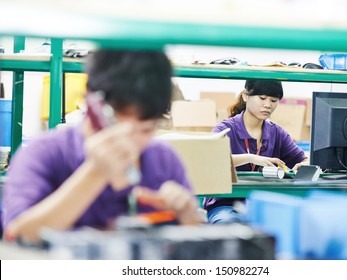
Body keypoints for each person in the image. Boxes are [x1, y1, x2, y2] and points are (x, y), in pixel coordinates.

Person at [2, 50, 202, 244]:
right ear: (90, 102)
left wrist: (186, 217)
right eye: (118, 125)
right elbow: (18, 235)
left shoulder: (164, 160)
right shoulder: (44, 153)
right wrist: (95, 172)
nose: (130, 142)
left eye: (145, 130)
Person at [204, 79, 308, 224]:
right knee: (230, 229)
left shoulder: (277, 133)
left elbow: (303, 159)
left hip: (263, 205)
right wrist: (250, 158)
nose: (267, 105)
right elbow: (209, 159)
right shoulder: (224, 129)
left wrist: (304, 165)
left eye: (273, 100)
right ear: (245, 96)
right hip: (226, 206)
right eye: (262, 98)